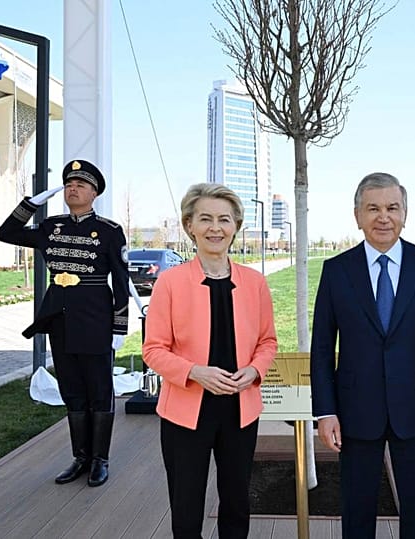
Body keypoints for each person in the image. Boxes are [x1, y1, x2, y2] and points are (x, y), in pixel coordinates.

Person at [310, 172, 415, 539]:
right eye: (373, 208)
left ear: (405, 213)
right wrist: (325, 412)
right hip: (355, 409)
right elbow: (321, 346)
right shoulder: (336, 271)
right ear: (357, 215)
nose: (383, 217)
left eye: (392, 208)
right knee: (357, 509)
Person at [142, 183, 277, 538]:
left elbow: (267, 342)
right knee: (186, 509)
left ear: (236, 226)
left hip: (240, 410)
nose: (215, 228)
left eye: (224, 219)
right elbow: (153, 349)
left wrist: (255, 370)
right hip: (186, 414)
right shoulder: (170, 283)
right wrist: (193, 372)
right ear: (189, 225)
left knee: (237, 504)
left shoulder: (255, 283)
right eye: (205, 219)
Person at [0, 159, 129, 487]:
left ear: (94, 193)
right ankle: (80, 457)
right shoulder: (50, 227)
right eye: (69, 184)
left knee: (99, 391)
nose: (73, 188)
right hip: (61, 319)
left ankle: (100, 459)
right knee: (72, 391)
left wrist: (119, 327)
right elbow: (5, 233)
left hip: (95, 319)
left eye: (81, 185)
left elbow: (122, 281)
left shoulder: (110, 231)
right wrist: (31, 203)